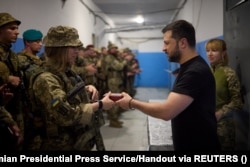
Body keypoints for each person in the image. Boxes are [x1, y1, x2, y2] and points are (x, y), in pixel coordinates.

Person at [116, 20, 221, 151]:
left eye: (166, 43)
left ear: (182, 43)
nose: (163, 48)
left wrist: (132, 103)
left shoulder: (194, 71)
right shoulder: (188, 67)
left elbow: (166, 112)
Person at [29, 25, 115, 151]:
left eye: (77, 47)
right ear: (59, 50)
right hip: (59, 145)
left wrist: (86, 89)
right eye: (73, 47)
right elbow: (66, 115)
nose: (77, 51)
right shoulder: (46, 79)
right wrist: (100, 105)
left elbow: (67, 93)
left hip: (75, 140)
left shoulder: (65, 72)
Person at [206, 38, 243, 150]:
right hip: (207, 123)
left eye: (214, 50)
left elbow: (237, 102)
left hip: (223, 127)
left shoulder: (229, 74)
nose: (210, 53)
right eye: (208, 50)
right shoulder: (207, 72)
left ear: (223, 53)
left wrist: (221, 113)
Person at [0, 12, 24, 150]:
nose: (16, 32)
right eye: (12, 28)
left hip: (14, 106)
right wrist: (7, 77)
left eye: (17, 28)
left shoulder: (12, 55)